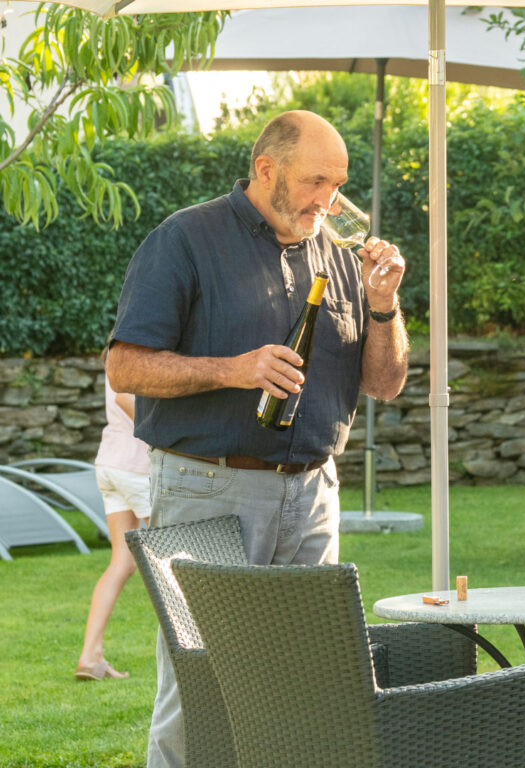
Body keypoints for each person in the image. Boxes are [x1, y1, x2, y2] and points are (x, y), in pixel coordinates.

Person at [105, 110, 409, 768]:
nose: (328, 199)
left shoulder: (338, 253)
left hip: (313, 495)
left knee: (307, 685)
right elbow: (125, 366)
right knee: (202, 687)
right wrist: (232, 369)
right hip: (207, 490)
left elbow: (384, 383)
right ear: (266, 169)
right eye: (315, 181)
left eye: (339, 184)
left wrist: (384, 304)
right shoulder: (186, 238)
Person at [74, 357, 150, 682]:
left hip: (111, 463)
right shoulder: (142, 344)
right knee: (180, 558)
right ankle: (200, 653)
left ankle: (91, 658)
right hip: (137, 465)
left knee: (122, 561)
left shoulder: (119, 345)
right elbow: (124, 397)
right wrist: (164, 435)